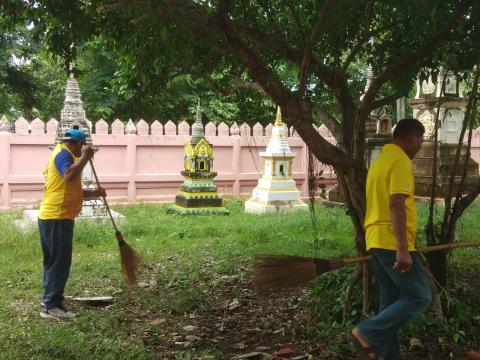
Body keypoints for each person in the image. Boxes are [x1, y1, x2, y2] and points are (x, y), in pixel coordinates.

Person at [351, 118, 432, 360]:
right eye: (421, 140)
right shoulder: (400, 161)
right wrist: (403, 250)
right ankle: (366, 331)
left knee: (389, 304)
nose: (420, 146)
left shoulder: (380, 161)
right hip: (391, 242)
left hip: (375, 239)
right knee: (420, 296)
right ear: (412, 137)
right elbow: (396, 204)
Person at [38, 129, 106, 320]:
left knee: (54, 260)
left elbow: (70, 188)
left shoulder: (64, 154)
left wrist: (96, 193)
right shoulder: (62, 154)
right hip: (56, 217)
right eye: (81, 147)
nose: (82, 150)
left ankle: (52, 298)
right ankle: (51, 306)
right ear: (77, 144)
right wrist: (85, 157)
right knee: (59, 262)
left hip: (57, 216)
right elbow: (68, 175)